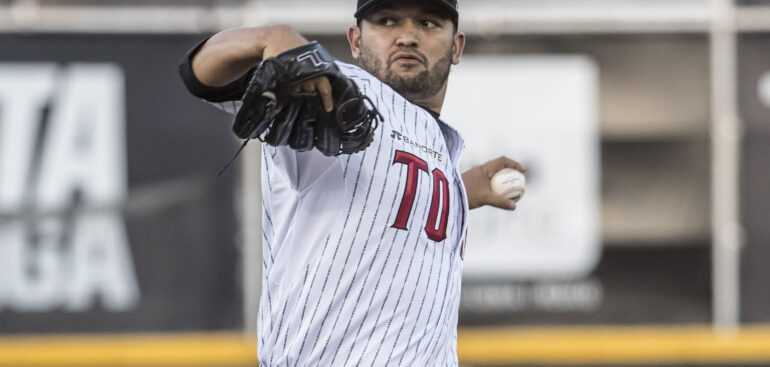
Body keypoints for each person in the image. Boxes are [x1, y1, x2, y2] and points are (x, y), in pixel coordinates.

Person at [179, 0, 524, 365]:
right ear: (356, 41)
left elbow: (387, 202)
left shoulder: (437, 145)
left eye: (427, 23)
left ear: (456, 46)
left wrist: (458, 190)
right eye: (387, 21)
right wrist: (269, 38)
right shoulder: (338, 90)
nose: (407, 36)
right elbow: (200, 75)